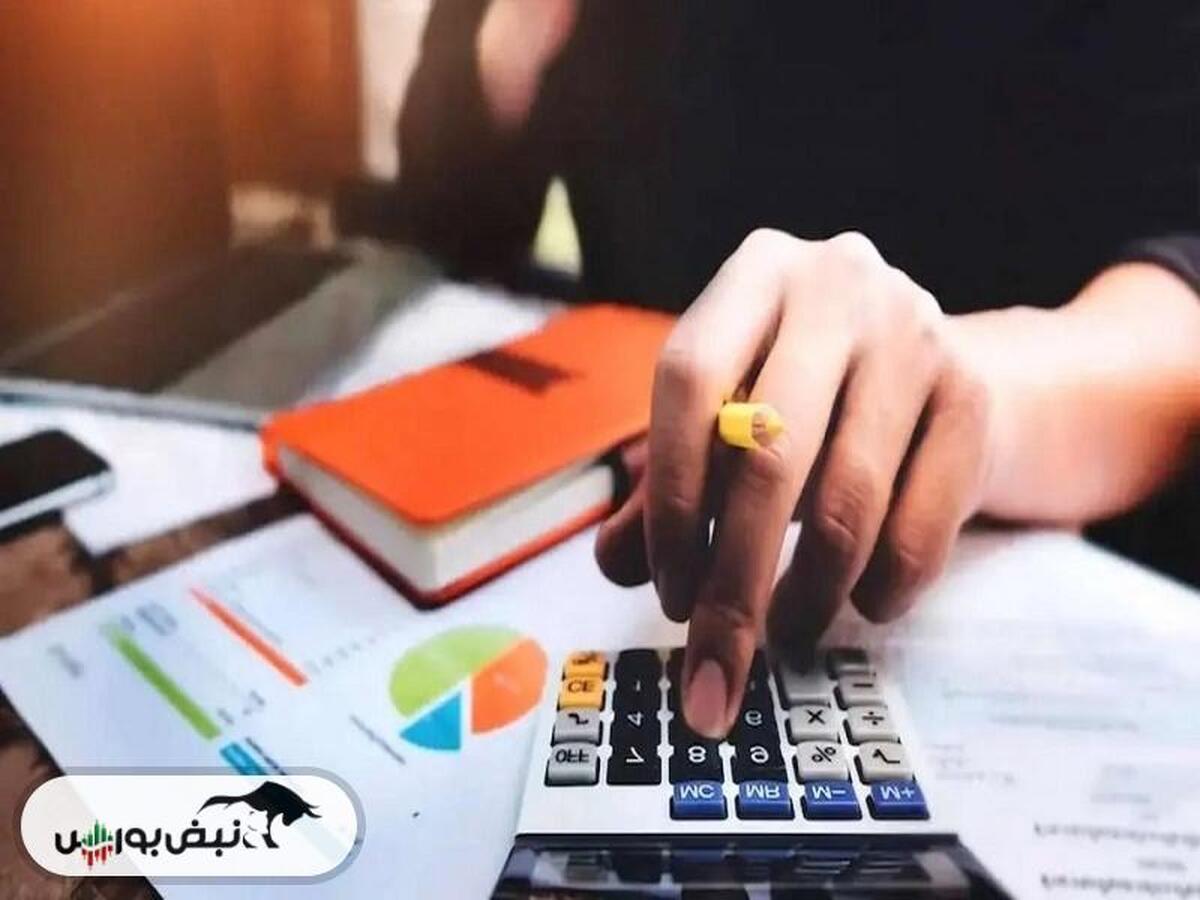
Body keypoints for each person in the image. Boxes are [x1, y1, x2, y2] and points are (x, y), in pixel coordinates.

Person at [391, 1, 1200, 739]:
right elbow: (436, 218)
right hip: (599, 525)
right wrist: (514, 33)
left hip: (1011, 576)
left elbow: (1178, 296)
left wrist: (975, 395)